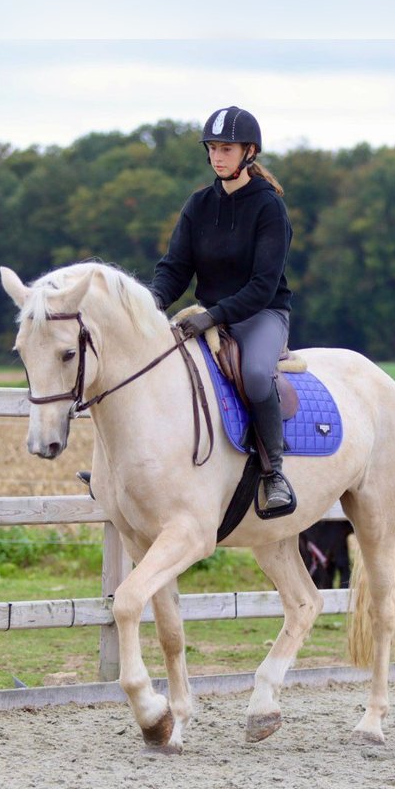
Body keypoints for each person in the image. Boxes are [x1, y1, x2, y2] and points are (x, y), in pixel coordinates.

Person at [150, 106, 295, 514]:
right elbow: (175, 269)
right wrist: (149, 305)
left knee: (255, 374)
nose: (217, 156)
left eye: (226, 149)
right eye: (212, 148)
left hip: (260, 315)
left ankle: (274, 472)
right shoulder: (198, 204)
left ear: (249, 152)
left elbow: (263, 286)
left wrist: (212, 317)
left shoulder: (269, 208)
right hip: (207, 314)